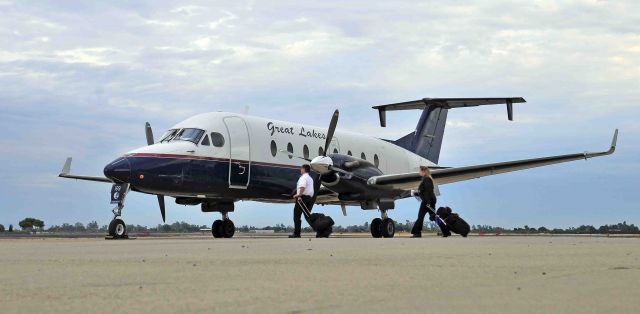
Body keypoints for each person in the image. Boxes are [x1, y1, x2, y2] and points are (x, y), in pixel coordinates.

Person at [411, 165, 448, 237]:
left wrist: (427, 203)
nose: (419, 172)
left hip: (427, 201)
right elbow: (424, 192)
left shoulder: (427, 179)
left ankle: (417, 233)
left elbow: (428, 192)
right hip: (428, 201)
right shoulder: (426, 179)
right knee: (433, 217)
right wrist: (415, 193)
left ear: (423, 171)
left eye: (420, 171)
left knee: (421, 217)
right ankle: (446, 231)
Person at [289, 164, 315, 238]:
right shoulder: (310, 178)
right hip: (309, 198)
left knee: (296, 216)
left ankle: (297, 234)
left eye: (301, 169)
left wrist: (298, 195)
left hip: (302, 198)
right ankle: (320, 228)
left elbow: (302, 187)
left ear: (303, 169)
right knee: (308, 216)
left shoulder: (303, 178)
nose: (300, 170)